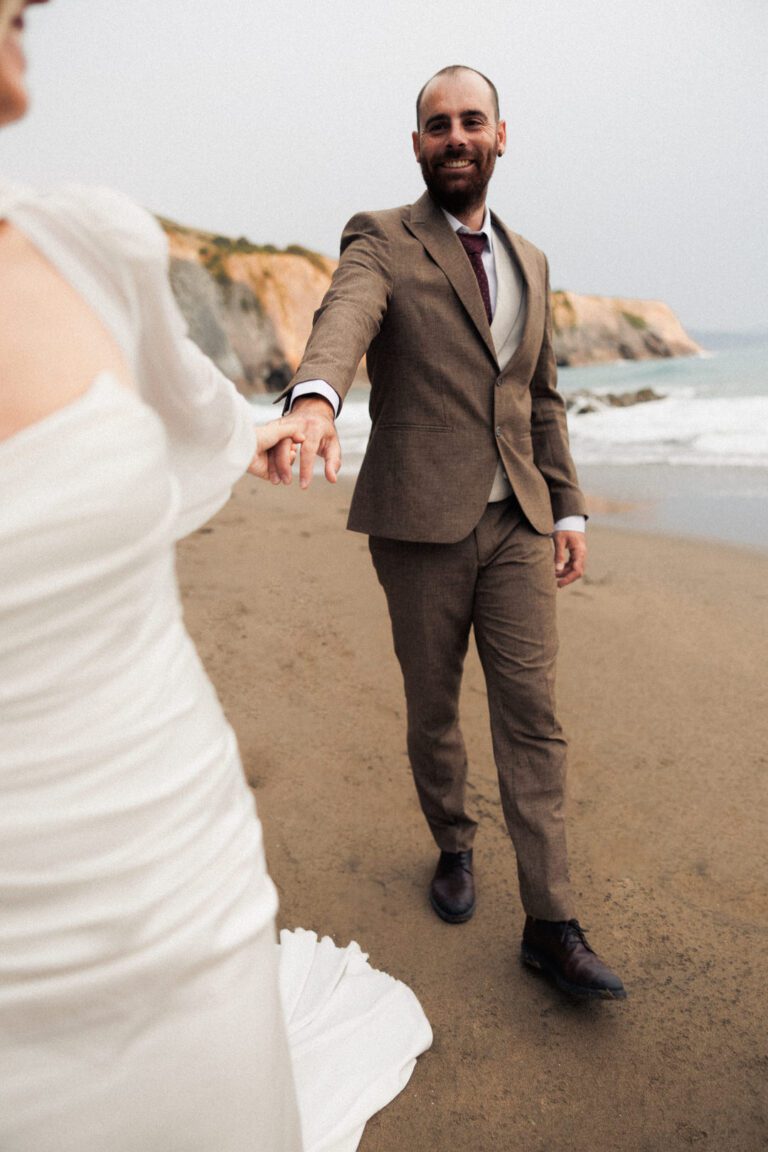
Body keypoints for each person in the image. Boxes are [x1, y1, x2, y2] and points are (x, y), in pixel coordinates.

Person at [0, 4, 430, 1149]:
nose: (18, 96)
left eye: (18, 27)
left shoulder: (84, 247)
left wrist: (284, 425)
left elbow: (197, 417)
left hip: (182, 873)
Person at [274, 65, 626, 1001]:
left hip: (516, 518)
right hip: (419, 523)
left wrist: (570, 508)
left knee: (533, 721)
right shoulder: (380, 238)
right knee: (434, 712)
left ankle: (550, 923)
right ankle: (453, 844)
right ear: (419, 145)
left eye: (473, 121)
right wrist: (314, 398)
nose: (456, 137)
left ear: (502, 136)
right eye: (439, 125)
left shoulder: (534, 260)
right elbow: (343, 317)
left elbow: (539, 399)